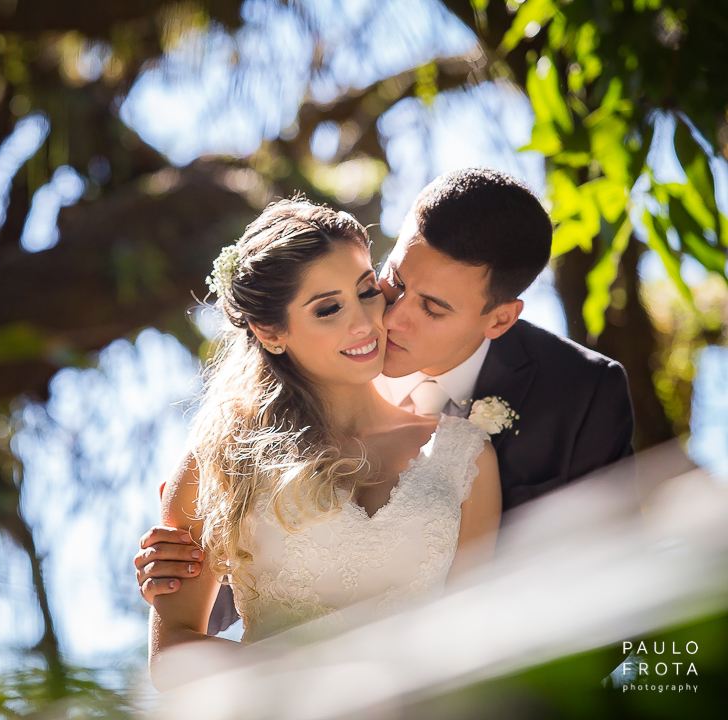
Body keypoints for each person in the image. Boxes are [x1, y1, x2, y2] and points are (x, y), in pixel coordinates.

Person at [136, 167, 635, 636]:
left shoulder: (579, 394)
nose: (388, 319)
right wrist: (178, 569)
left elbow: (607, 599)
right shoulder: (294, 389)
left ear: (499, 319)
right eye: (393, 281)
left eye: (432, 308)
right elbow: (246, 584)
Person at [148, 198, 501, 686]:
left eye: (367, 291)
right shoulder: (223, 457)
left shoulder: (463, 456)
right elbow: (171, 659)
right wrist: (335, 679)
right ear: (270, 331)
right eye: (329, 308)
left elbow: (474, 641)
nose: (364, 323)